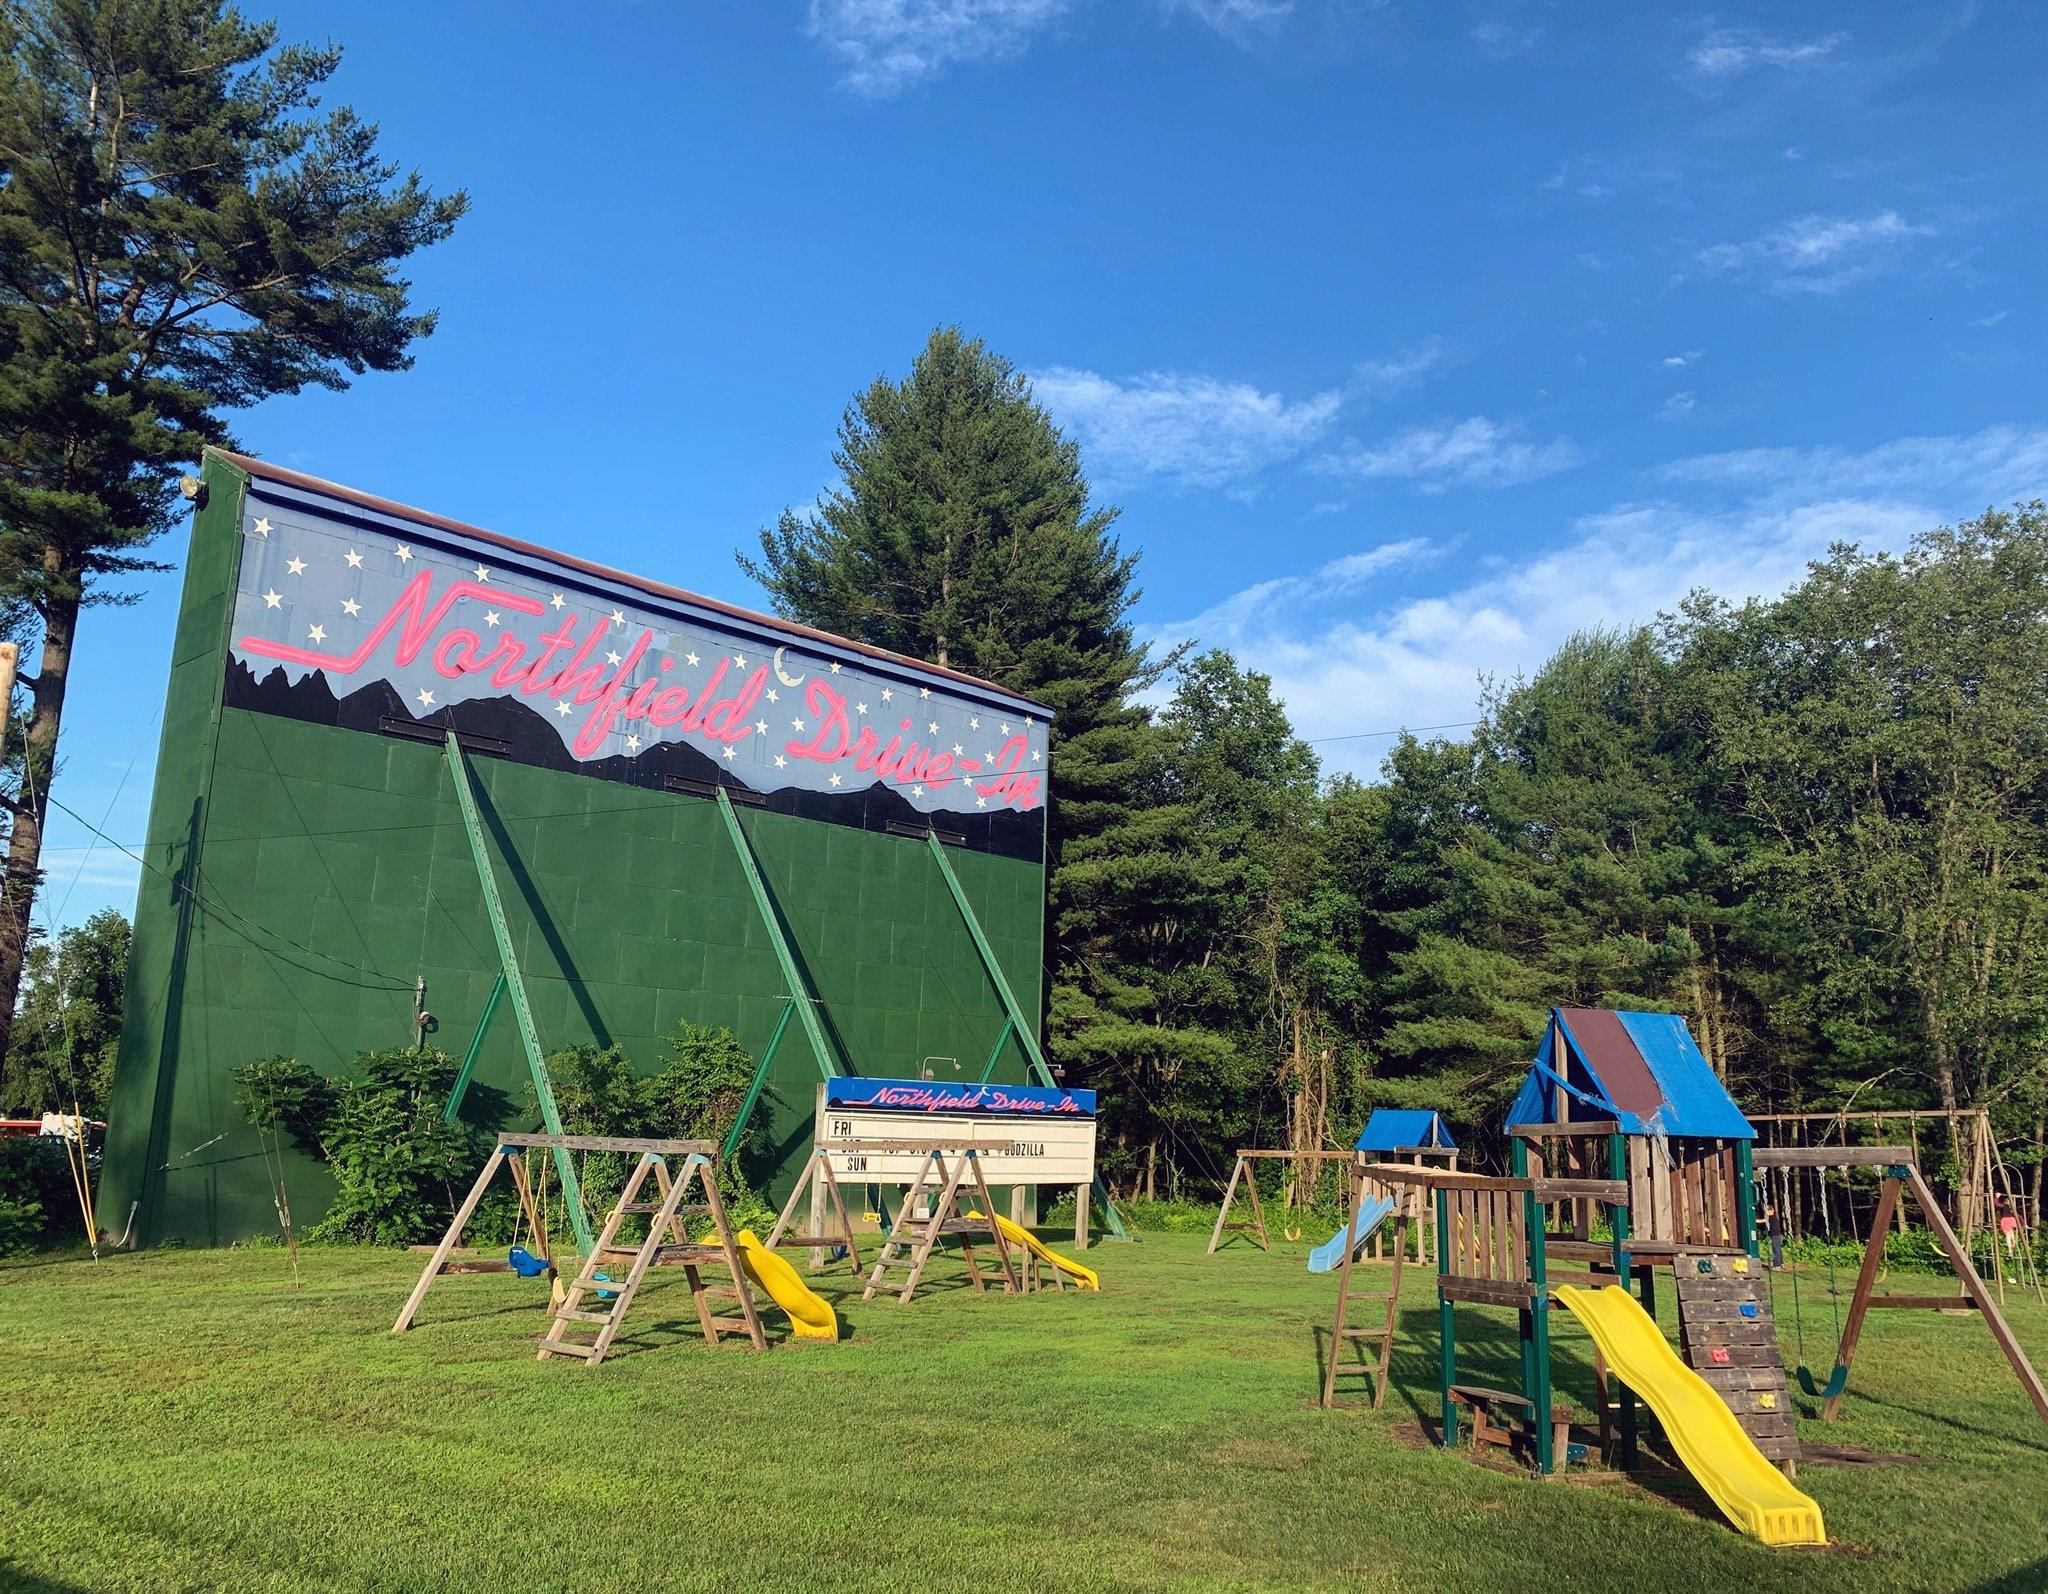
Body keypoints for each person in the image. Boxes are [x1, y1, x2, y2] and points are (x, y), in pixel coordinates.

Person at [1997, 1193, 2021, 1258]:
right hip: (2010, 1220)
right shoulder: (2008, 1207)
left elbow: (1996, 1204)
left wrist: (1997, 1197)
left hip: (2006, 1220)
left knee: (2008, 1234)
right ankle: (2013, 1243)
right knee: (2010, 1233)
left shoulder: (2006, 1207)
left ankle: (2010, 1250)